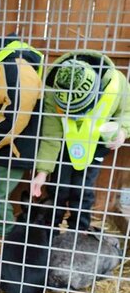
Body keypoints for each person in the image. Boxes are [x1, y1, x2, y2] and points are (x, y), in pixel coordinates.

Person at [31, 51, 130, 232]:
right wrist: (43, 171)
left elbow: (127, 112)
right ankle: (49, 231)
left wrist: (123, 130)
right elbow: (51, 135)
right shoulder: (54, 89)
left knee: (82, 190)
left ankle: (78, 232)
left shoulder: (116, 83)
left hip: (95, 146)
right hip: (64, 147)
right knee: (58, 189)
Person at [0, 20, 44, 254]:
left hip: (12, 148)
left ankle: (6, 241)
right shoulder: (4, 61)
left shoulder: (14, 64)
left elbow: (16, 115)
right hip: (6, 146)